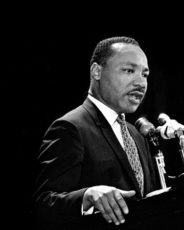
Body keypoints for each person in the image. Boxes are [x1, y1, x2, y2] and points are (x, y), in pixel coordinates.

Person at [32, 36, 159, 230]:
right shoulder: (70, 128)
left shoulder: (136, 135)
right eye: (129, 70)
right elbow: (45, 205)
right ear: (97, 71)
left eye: (145, 74)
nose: (140, 83)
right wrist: (87, 196)